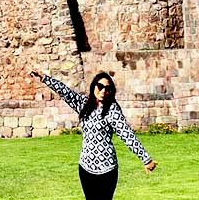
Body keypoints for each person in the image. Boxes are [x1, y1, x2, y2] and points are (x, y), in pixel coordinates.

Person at [30, 70, 157, 199]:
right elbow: (65, 91)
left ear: (110, 91)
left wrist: (146, 159)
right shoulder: (84, 104)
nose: (103, 91)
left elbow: (127, 134)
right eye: (100, 87)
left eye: (107, 88)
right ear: (94, 86)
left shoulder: (112, 110)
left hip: (107, 170)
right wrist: (45, 78)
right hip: (85, 167)